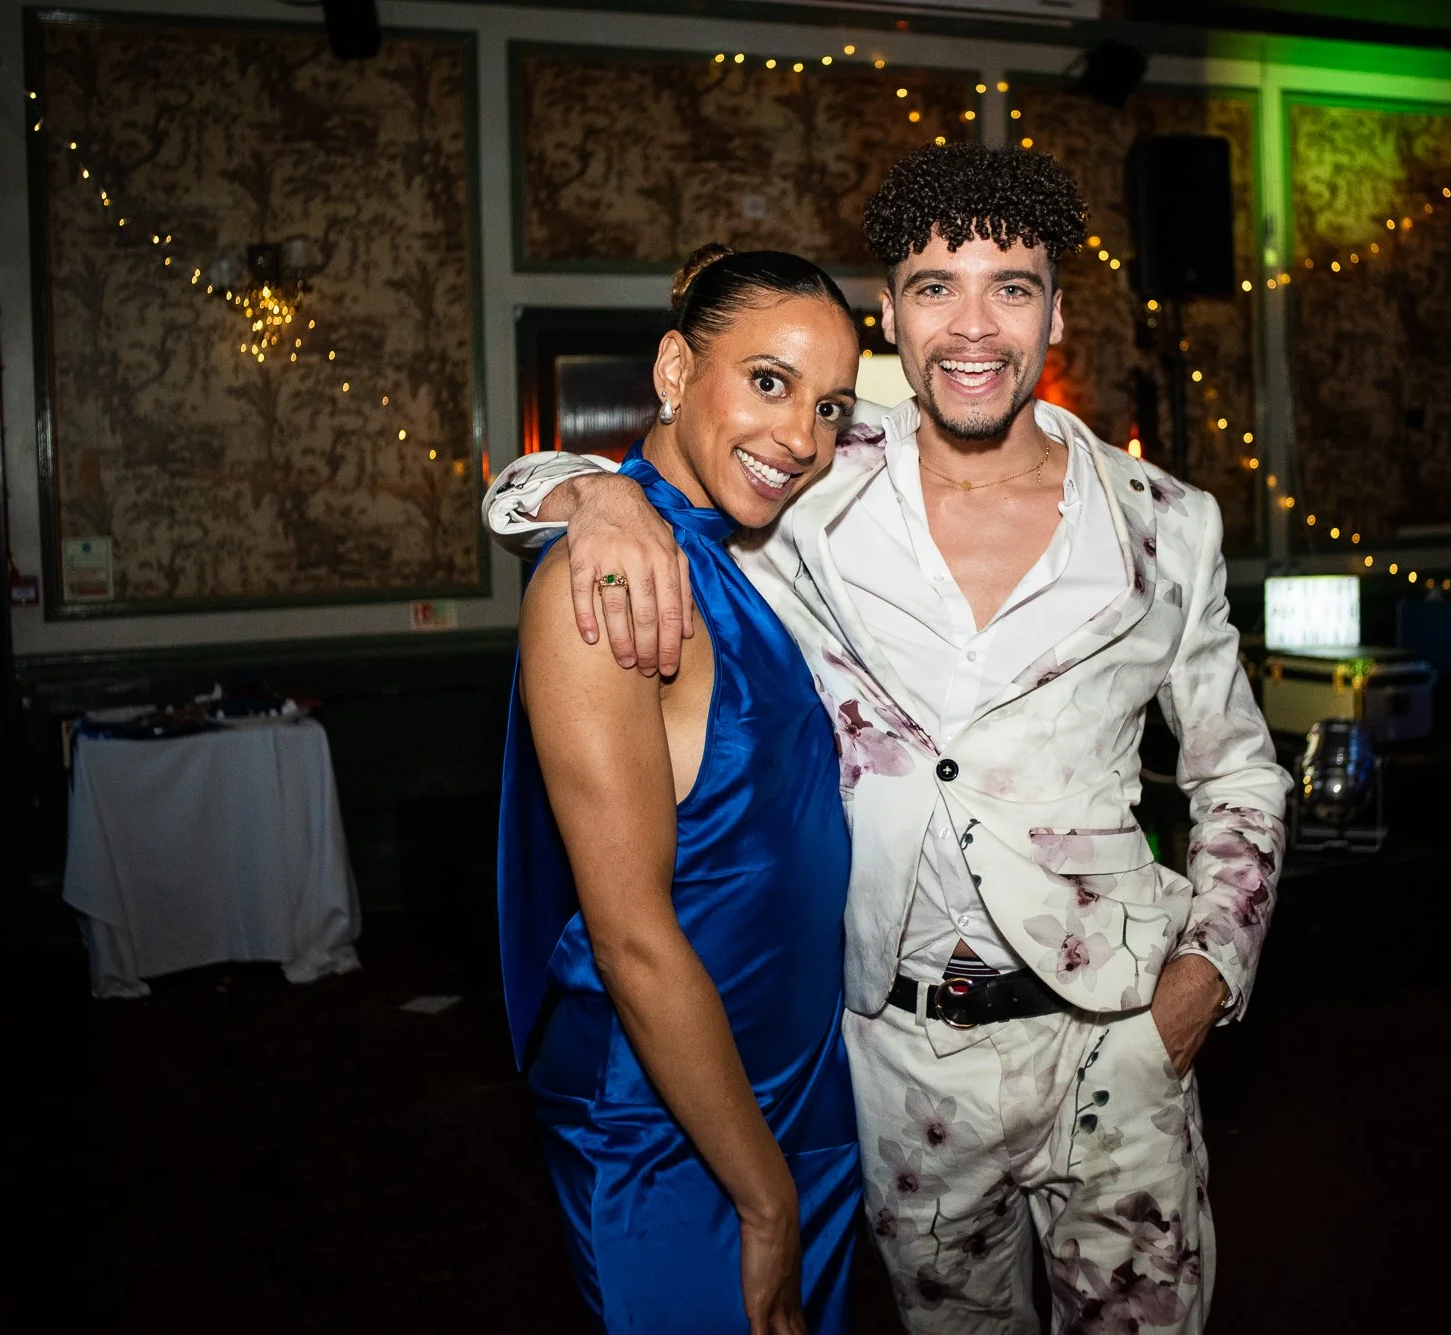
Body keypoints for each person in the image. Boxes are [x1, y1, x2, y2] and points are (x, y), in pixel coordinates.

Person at [487, 145, 1291, 1334]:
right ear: (891, 317)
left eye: (1009, 288)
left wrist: (1202, 979)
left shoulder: (1166, 521)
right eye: (933, 288)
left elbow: (1238, 770)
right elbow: (633, 463)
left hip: (1115, 1043)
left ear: (1055, 311)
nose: (971, 327)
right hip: (901, 1063)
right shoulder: (812, 471)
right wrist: (586, 495)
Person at [498, 245, 864, 1335]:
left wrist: (586, 486)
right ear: (672, 370)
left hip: (790, 1087)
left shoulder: (722, 555)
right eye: (768, 381)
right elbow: (632, 941)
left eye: (830, 407)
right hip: (670, 1126)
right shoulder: (612, 578)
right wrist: (762, 1200)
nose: (801, 438)